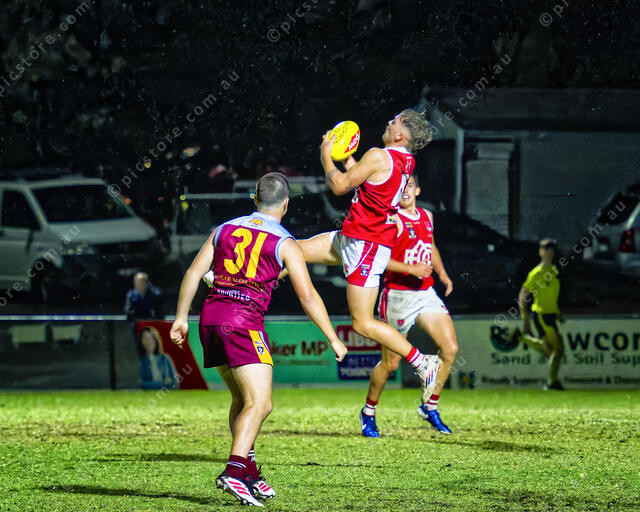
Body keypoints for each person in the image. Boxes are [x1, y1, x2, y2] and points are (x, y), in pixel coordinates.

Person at [169, 172, 347, 507]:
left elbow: (193, 272)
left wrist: (180, 317)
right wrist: (333, 338)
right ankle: (234, 471)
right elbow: (308, 296)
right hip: (242, 323)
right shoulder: (285, 242)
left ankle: (248, 472)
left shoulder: (224, 228)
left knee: (241, 399)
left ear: (254, 199)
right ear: (286, 204)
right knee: (261, 403)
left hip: (211, 319)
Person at [295, 109, 441, 430]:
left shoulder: (378, 156)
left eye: (394, 122)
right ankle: (230, 276)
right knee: (292, 251)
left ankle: (423, 362)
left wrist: (326, 155)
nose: (389, 123)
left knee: (362, 323)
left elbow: (339, 186)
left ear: (400, 135)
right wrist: (349, 160)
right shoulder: (405, 161)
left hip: (365, 245)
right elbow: (372, 184)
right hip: (357, 238)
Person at [360, 174, 458, 436]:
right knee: (390, 364)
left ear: (418, 190)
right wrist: (410, 268)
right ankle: (368, 411)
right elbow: (379, 259)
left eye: (410, 185)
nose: (405, 190)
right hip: (397, 296)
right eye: (401, 186)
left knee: (450, 349)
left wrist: (442, 273)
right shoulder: (392, 219)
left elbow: (430, 246)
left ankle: (429, 406)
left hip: (425, 293)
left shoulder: (427, 216)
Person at [509, 238, 565, 390]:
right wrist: (525, 319)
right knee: (558, 349)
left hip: (550, 314)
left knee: (549, 350)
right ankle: (552, 383)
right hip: (542, 315)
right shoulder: (536, 273)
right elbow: (523, 296)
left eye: (551, 248)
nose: (549, 251)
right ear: (541, 251)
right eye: (546, 248)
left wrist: (557, 312)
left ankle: (521, 338)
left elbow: (552, 295)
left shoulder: (554, 271)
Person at [138, 326, 178, 390]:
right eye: (145, 338)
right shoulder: (140, 361)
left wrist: (150, 384)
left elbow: (175, 383)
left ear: (156, 340)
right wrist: (163, 383)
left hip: (166, 394)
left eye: (151, 338)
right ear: (141, 341)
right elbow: (140, 384)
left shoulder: (165, 358)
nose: (149, 342)